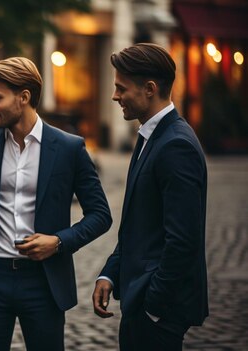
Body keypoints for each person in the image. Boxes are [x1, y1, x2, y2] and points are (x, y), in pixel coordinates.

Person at [0, 57, 112, 350]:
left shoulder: (69, 148)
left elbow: (100, 214)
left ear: (24, 98)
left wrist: (58, 241)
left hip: (43, 283)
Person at [93, 43, 208, 350]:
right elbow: (139, 224)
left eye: (121, 88)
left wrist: (153, 304)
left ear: (149, 88)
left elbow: (184, 240)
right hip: (139, 301)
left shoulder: (175, 145)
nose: (115, 96)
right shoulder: (151, 135)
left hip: (155, 313)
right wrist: (111, 274)